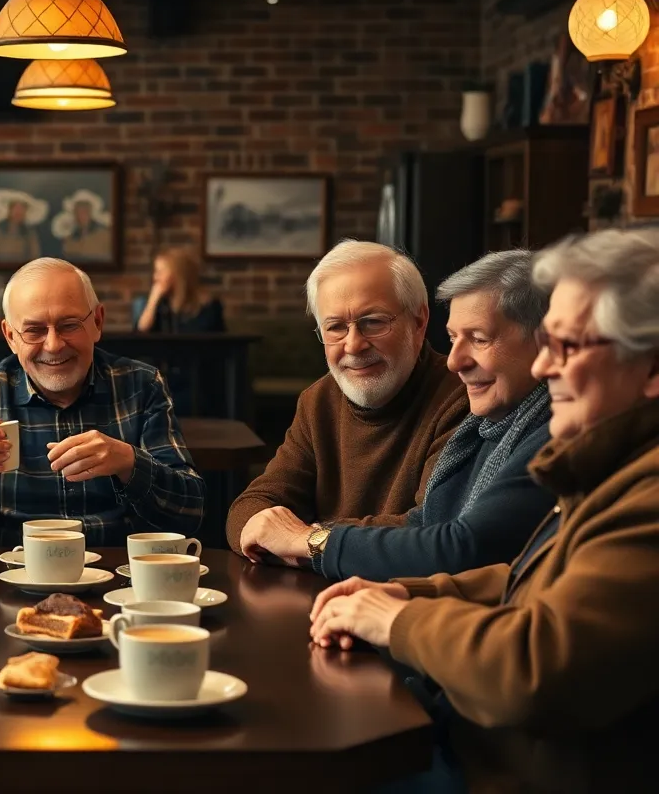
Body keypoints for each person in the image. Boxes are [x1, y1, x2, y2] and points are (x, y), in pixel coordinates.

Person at [308, 228, 659, 792]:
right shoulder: (610, 463)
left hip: (494, 770)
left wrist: (395, 620)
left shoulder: (643, 493)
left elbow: (533, 669)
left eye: (567, 346)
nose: (546, 368)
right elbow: (531, 578)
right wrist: (410, 593)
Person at [244, 250, 556, 580]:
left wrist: (307, 541)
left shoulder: (545, 428)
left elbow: (459, 546)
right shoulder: (494, 423)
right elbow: (430, 527)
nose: (455, 361)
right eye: (453, 338)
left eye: (478, 339)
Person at [0, 257, 206, 547]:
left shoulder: (141, 385)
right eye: (34, 330)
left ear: (97, 322)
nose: (54, 345)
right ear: (10, 337)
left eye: (69, 325)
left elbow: (190, 513)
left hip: (119, 576)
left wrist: (129, 463)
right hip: (11, 576)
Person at [228, 239, 468, 559]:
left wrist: (304, 540)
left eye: (373, 322)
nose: (353, 345)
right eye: (336, 327)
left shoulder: (461, 399)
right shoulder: (318, 402)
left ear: (418, 321)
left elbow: (428, 535)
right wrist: (286, 537)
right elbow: (250, 509)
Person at [136, 246, 225, 333]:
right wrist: (153, 301)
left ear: (178, 276)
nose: (155, 278)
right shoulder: (160, 305)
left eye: (160, 273)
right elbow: (141, 334)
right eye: (155, 272)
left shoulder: (208, 307)